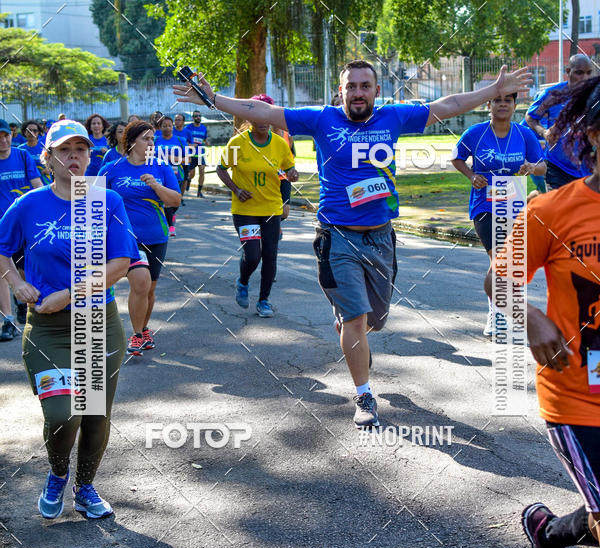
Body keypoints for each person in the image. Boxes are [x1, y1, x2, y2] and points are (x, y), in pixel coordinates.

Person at [175, 61, 533, 427]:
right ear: (341, 90)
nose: (358, 92)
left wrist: (492, 91)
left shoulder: (394, 117)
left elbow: (448, 105)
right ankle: (364, 394)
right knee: (356, 319)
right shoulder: (322, 120)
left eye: (365, 86)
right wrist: (214, 99)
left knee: (375, 319)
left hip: (381, 237)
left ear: (376, 90)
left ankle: (350, 327)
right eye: (351, 86)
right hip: (337, 236)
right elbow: (261, 110)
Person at [484, 76, 600, 548]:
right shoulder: (551, 211)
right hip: (578, 399)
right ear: (593, 135)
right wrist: (529, 318)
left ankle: (549, 533)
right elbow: (497, 281)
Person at [0, 119, 138, 519]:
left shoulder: (104, 200)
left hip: (96, 322)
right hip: (48, 328)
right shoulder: (30, 204)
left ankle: (85, 487)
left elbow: (120, 264)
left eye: (80, 149)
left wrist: (70, 294)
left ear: (90, 157)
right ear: (48, 159)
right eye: (64, 150)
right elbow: (2, 249)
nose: (73, 156)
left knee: (94, 414)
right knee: (64, 414)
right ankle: (58, 474)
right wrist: (16, 283)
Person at [451, 92, 546, 335]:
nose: (502, 104)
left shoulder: (524, 134)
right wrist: (472, 176)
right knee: (499, 259)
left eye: (507, 100)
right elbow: (456, 157)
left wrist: (531, 167)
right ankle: (495, 314)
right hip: (484, 204)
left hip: (514, 203)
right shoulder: (475, 133)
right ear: (489, 104)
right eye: (497, 100)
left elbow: (543, 166)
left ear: (514, 105)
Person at [99, 120, 181, 355]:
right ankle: (136, 335)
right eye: (146, 138)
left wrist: (156, 186)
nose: (151, 143)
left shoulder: (161, 167)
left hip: (156, 235)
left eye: (153, 139)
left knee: (149, 288)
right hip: (125, 238)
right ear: (132, 141)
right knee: (141, 283)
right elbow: (95, 202)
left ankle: (143, 329)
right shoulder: (111, 168)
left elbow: (175, 200)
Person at [215, 95, 297, 317]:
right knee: (253, 255)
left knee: (270, 255)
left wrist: (292, 173)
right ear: (249, 118)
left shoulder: (280, 144)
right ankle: (243, 281)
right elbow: (221, 169)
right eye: (256, 115)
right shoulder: (238, 143)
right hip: (246, 210)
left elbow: (288, 169)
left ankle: (264, 301)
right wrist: (236, 189)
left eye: (266, 115)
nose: (262, 121)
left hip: (271, 209)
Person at [524, 54, 594, 190]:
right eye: (579, 73)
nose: (585, 78)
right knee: (556, 204)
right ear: (568, 71)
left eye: (588, 73)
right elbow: (530, 116)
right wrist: (544, 132)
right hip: (557, 167)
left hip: (588, 169)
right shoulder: (553, 95)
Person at [0, 118, 42, 338]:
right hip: (2, 226)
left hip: (25, 223)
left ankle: (25, 306)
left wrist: (44, 209)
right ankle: (8, 320)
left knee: (25, 269)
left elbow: (37, 186)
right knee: (2, 270)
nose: (3, 140)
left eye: (5, 135)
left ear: (11, 135)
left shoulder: (22, 156)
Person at [154, 115, 187, 232]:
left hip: (176, 174)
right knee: (165, 201)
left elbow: (187, 159)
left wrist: (171, 158)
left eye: (169, 125)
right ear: (160, 127)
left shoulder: (180, 140)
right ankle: (171, 226)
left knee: (175, 201)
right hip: (160, 175)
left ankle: (171, 215)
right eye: (164, 126)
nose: (167, 128)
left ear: (173, 127)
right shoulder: (155, 140)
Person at [186, 110, 209, 197]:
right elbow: (184, 141)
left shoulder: (203, 128)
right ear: (193, 118)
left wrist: (207, 142)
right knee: (192, 174)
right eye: (196, 116)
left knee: (202, 171)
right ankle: (188, 180)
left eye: (199, 116)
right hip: (191, 154)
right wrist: (191, 145)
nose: (198, 117)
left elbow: (205, 138)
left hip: (200, 154)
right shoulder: (188, 128)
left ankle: (199, 192)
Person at [21, 119, 50, 185]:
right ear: (24, 132)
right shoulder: (20, 150)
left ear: (38, 132)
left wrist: (49, 169)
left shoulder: (45, 147)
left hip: (45, 182)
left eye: (35, 131)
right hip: (27, 185)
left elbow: (55, 163)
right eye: (29, 131)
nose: (32, 133)